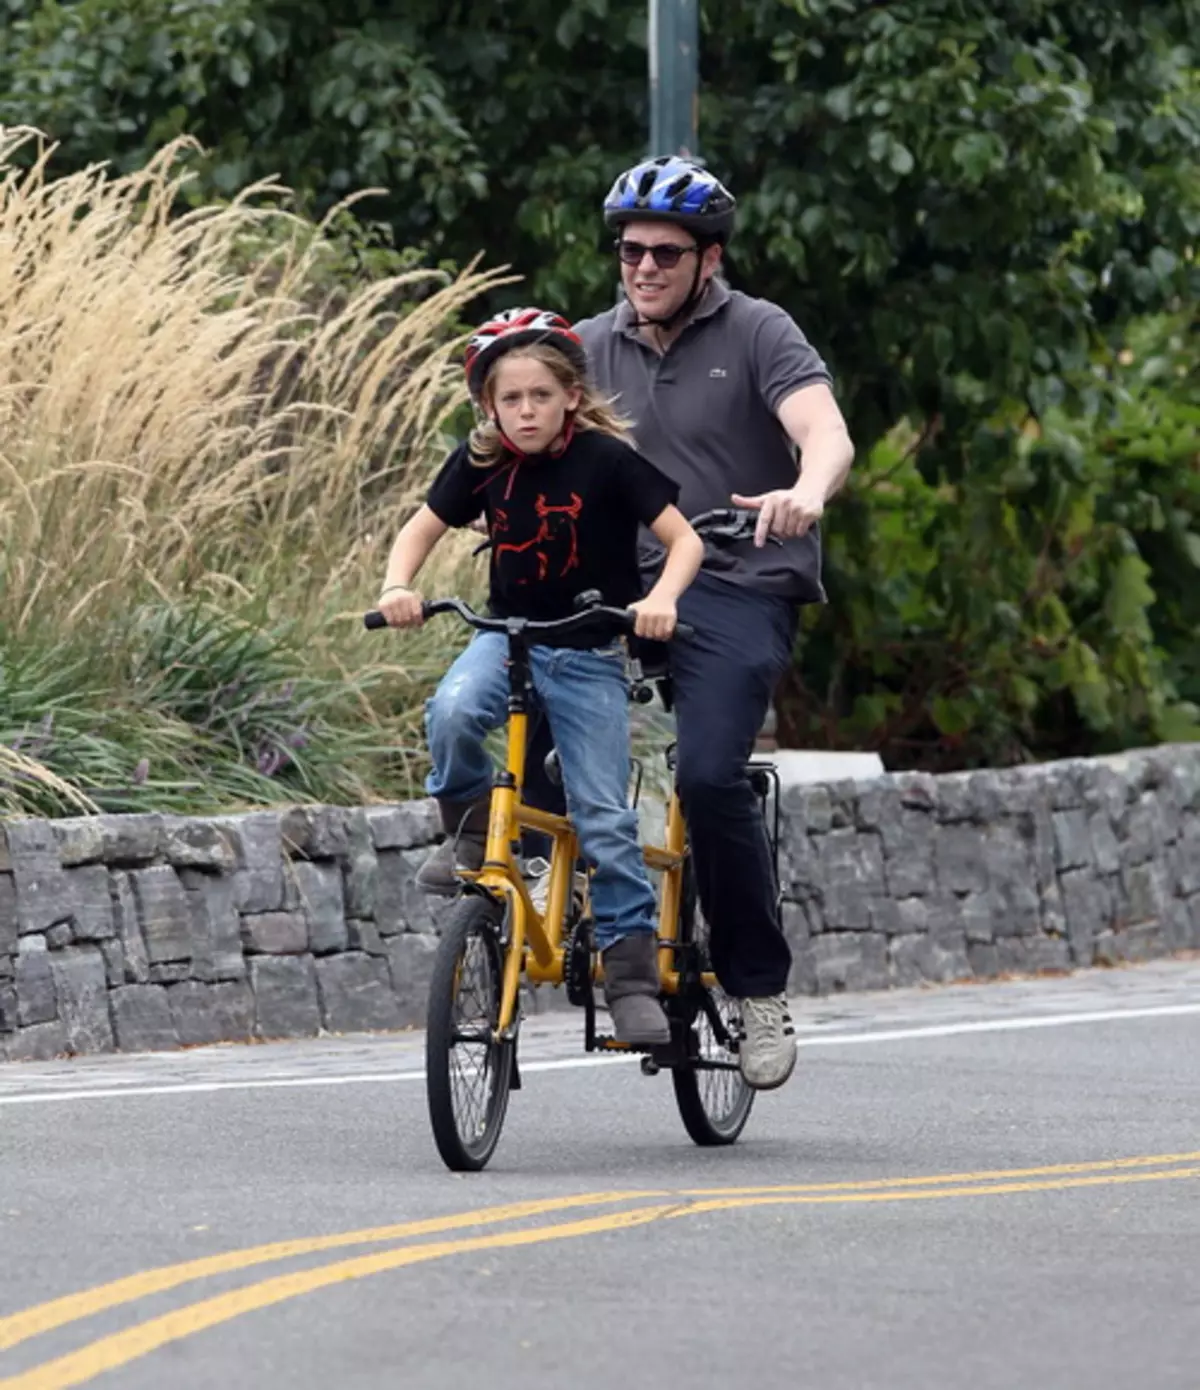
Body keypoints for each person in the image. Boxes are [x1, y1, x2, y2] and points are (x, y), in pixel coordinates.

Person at [526, 155, 856, 1091]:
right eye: (628, 251)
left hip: (737, 582)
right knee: (525, 695)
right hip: (616, 584)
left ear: (708, 259)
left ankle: (757, 990)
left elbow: (826, 432)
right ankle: (553, 879)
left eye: (664, 253)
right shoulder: (585, 347)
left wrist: (805, 490)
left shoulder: (758, 332)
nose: (642, 268)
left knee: (711, 777)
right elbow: (523, 438)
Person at [376, 307, 704, 1046]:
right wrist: (399, 585)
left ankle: (629, 977)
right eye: (510, 400)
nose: (525, 413)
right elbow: (420, 529)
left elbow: (682, 542)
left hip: (587, 653)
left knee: (604, 819)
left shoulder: (607, 461)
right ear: (488, 406)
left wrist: (659, 600)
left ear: (571, 398)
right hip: (508, 639)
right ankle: (468, 836)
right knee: (454, 710)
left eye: (540, 398)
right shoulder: (485, 461)